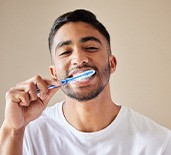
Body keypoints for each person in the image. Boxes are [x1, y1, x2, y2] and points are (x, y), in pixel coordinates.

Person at [0, 9, 171, 155]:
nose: (79, 59)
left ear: (112, 64)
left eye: (91, 48)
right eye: (66, 52)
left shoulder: (158, 144)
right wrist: (13, 129)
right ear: (54, 73)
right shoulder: (27, 134)